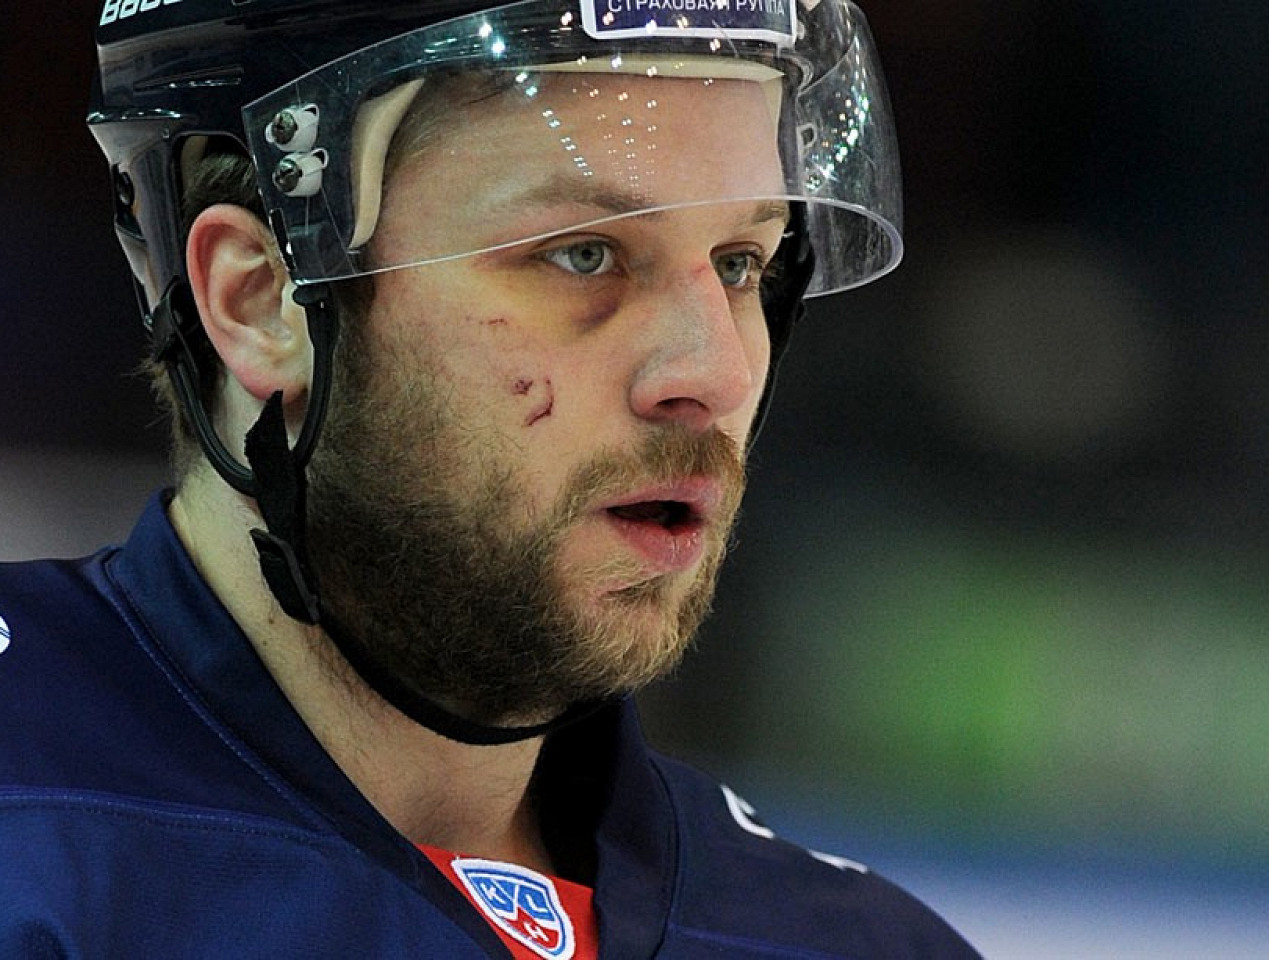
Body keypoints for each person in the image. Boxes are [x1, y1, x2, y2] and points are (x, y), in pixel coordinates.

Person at [0, 0, 979, 955]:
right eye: (583, 255)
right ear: (261, 301)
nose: (713, 373)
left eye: (738, 265)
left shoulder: (849, 942)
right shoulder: (32, 845)